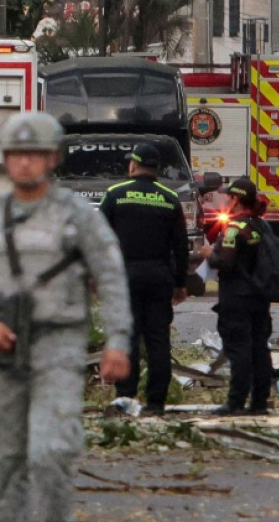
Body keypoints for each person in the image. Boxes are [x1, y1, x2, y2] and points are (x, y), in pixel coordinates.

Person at [0, 112, 132, 522]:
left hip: (57, 345)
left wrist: (118, 341)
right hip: (1, 350)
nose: (25, 162)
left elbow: (111, 275)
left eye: (35, 153)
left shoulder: (77, 215)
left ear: (52, 159)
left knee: (51, 451)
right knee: (6, 458)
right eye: (16, 153)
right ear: (5, 159)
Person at [99, 142, 189, 416]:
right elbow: (181, 245)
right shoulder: (169, 198)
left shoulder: (115, 194)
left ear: (133, 165)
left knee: (128, 337)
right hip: (159, 276)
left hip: (124, 275)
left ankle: (126, 397)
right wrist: (180, 282)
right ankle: (156, 402)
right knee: (158, 340)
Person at [197, 177, 272, 416]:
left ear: (236, 199)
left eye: (228, 196)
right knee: (260, 349)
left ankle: (235, 402)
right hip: (259, 296)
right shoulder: (262, 225)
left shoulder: (234, 227)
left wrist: (210, 254)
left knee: (238, 349)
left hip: (236, 298)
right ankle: (259, 402)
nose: (225, 200)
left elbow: (225, 263)